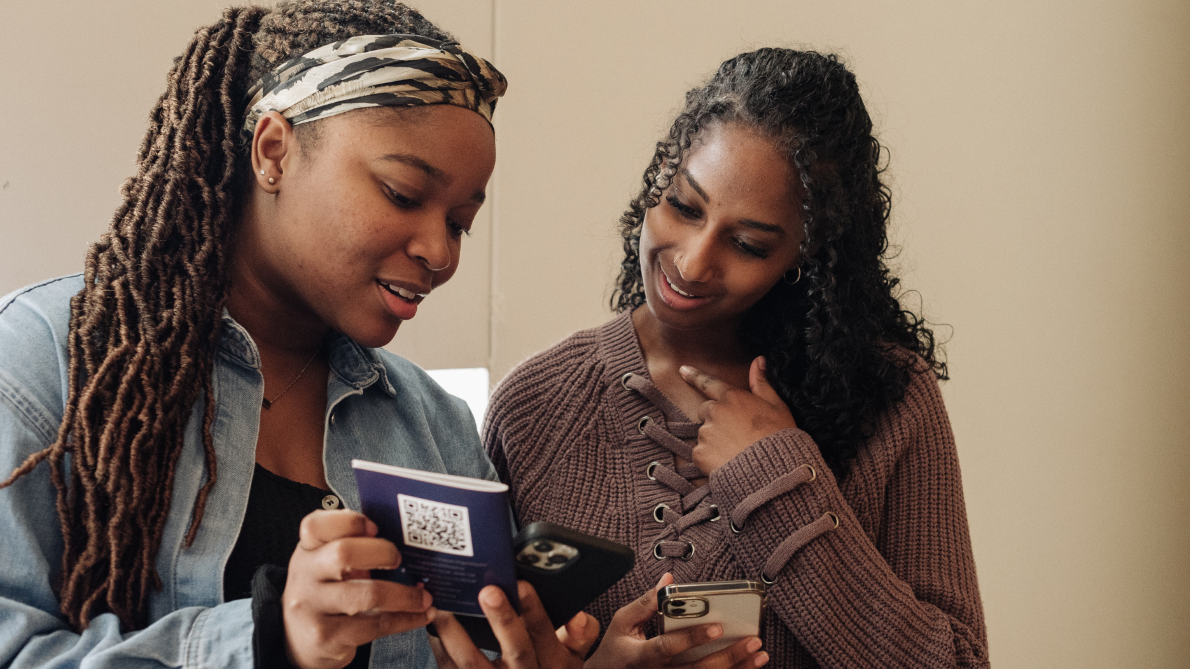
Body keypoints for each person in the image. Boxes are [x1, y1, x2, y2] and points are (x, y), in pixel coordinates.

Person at [0, 2, 596, 668]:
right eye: (403, 193)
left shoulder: (435, 428)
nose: (439, 251)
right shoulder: (48, 360)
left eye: (460, 222)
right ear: (273, 151)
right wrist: (269, 638)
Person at [483, 48, 990, 669]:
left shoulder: (887, 398)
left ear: (804, 259)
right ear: (657, 181)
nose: (693, 262)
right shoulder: (536, 406)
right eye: (684, 207)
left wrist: (777, 479)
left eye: (748, 244)